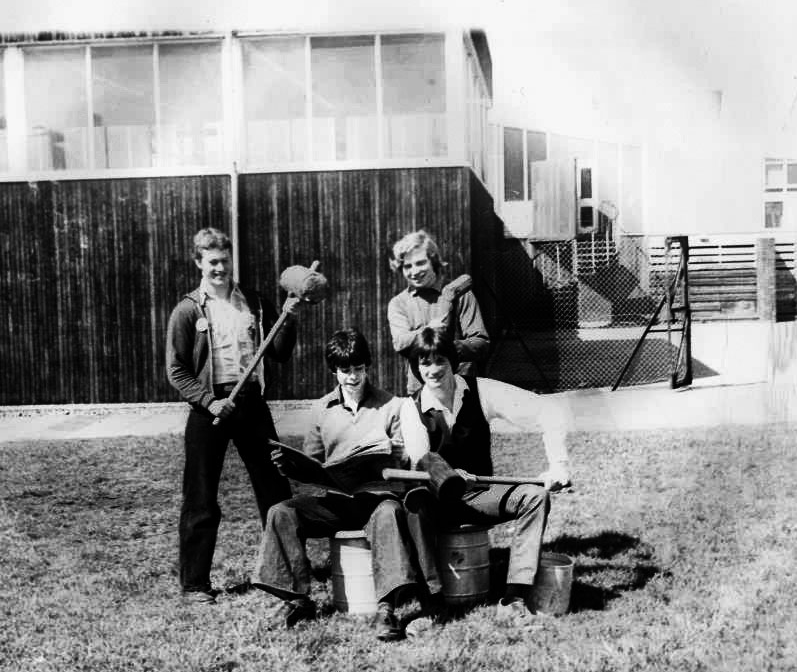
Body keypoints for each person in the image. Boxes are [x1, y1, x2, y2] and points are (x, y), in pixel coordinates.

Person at [252, 328, 425, 641]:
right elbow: (312, 461)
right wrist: (290, 466)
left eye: (359, 368)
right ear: (334, 370)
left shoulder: (391, 405)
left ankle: (387, 608)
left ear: (367, 366)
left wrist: (398, 455)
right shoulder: (322, 409)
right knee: (281, 512)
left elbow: (405, 464)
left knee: (389, 513)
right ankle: (297, 600)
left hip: (377, 500)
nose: (353, 377)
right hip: (336, 500)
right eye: (345, 370)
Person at [397, 327, 572, 629]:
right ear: (417, 368)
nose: (433, 369)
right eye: (425, 363)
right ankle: (432, 604)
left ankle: (514, 599)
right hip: (437, 501)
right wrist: (449, 476)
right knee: (414, 503)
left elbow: (548, 410)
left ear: (453, 361)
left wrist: (558, 465)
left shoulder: (481, 391)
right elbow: (421, 459)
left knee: (535, 496)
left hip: (480, 497)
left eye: (440, 360)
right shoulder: (411, 408)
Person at [166, 227, 300, 604]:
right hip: (208, 409)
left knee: (275, 487)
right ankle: (195, 584)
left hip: (251, 403)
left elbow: (279, 352)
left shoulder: (253, 302)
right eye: (212, 262)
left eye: (225, 260)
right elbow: (176, 370)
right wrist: (209, 401)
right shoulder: (188, 310)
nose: (220, 268)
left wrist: (288, 318)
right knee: (201, 495)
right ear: (199, 263)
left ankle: (285, 571)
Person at [387, 230, 490, 395]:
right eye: (407, 266)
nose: (414, 271)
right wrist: (429, 330)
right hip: (420, 390)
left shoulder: (460, 295)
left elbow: (482, 343)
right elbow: (400, 342)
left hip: (461, 386)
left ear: (433, 261)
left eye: (420, 263)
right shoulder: (399, 303)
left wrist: (450, 349)